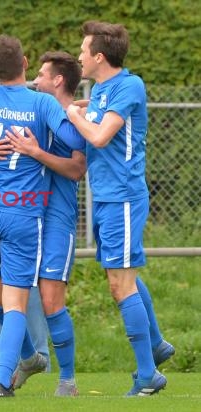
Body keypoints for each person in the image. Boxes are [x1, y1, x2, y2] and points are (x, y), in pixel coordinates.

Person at [0, 34, 86, 398]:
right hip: (23, 212)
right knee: (14, 301)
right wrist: (75, 112)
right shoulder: (41, 103)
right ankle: (1, 382)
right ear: (25, 64)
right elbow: (75, 137)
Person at [66, 20, 171, 396]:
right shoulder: (99, 89)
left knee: (119, 284)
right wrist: (73, 104)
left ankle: (148, 375)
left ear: (98, 56)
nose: (78, 56)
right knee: (121, 276)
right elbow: (93, 111)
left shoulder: (129, 84)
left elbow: (98, 134)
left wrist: (74, 114)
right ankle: (156, 345)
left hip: (124, 196)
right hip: (107, 199)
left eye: (82, 50)